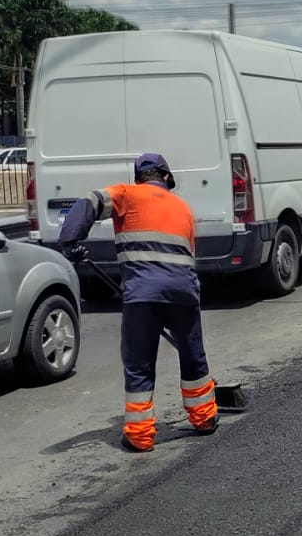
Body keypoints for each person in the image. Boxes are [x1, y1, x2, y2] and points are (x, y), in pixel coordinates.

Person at [58, 153, 219, 453]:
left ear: (139, 178)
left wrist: (70, 241)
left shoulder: (126, 194)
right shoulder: (182, 208)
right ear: (167, 177)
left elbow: (89, 203)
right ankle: (205, 418)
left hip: (142, 294)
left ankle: (140, 436)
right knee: (192, 353)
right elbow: (189, 258)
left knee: (140, 364)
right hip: (183, 292)